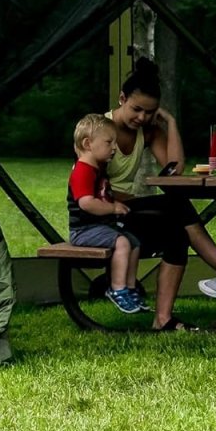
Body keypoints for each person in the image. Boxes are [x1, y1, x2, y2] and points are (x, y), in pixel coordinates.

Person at [105, 58, 216, 330]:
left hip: (126, 209)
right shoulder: (100, 128)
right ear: (121, 98)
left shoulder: (146, 131)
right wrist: (126, 201)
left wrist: (169, 123)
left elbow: (174, 169)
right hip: (103, 212)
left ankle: (163, 319)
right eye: (136, 109)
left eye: (150, 112)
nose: (142, 118)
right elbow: (93, 186)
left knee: (177, 228)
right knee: (177, 205)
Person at [67, 114, 146, 314]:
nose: (114, 148)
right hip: (83, 230)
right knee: (123, 242)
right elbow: (86, 203)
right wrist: (112, 208)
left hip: (99, 227)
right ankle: (117, 289)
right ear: (88, 144)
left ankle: (129, 288)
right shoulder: (83, 170)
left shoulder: (97, 169)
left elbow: (101, 195)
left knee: (134, 242)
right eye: (109, 142)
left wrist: (116, 205)